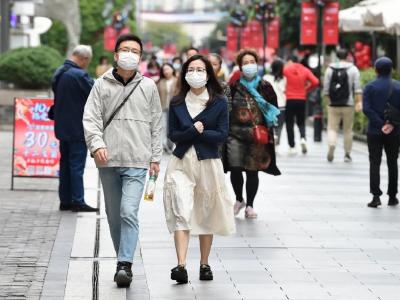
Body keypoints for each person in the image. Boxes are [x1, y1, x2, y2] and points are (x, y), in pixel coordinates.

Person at [83, 34, 162, 287]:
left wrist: (155, 157)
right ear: (116, 55)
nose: (130, 54)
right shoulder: (101, 84)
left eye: (135, 51)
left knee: (129, 211)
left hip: (138, 160)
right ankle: (123, 258)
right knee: (114, 215)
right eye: (125, 50)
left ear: (140, 57)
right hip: (108, 159)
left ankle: (124, 265)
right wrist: (97, 145)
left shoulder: (148, 86)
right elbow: (91, 118)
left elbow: (156, 124)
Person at [163, 54, 235, 284]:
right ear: (185, 73)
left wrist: (202, 132)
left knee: (205, 212)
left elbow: (221, 135)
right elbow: (173, 135)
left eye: (200, 69)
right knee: (181, 210)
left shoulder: (219, 102)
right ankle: (181, 265)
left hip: (208, 163)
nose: (195, 73)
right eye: (191, 69)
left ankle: (204, 264)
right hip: (180, 163)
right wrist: (195, 131)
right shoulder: (176, 102)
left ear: (208, 74)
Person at [225, 49, 281, 219]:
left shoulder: (265, 86)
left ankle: (250, 205)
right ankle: (238, 199)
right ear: (240, 67)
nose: (249, 65)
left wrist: (273, 131)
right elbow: (226, 109)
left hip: (257, 136)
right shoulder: (233, 87)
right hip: (234, 134)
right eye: (245, 63)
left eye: (252, 62)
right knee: (234, 168)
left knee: (252, 171)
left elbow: (273, 110)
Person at [51, 45, 97, 212]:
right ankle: (78, 201)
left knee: (65, 165)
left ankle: (65, 200)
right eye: (88, 61)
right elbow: (95, 94)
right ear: (84, 58)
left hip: (62, 127)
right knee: (76, 166)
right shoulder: (79, 75)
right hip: (77, 128)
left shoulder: (59, 72)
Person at [363, 57, 400, 208]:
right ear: (391, 70)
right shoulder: (398, 86)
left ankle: (376, 196)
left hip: (375, 131)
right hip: (395, 131)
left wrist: (380, 124)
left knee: (375, 163)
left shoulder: (370, 86)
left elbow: (367, 109)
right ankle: (392, 196)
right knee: (393, 162)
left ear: (376, 70)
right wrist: (391, 124)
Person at [323, 48, 362, 162]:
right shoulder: (353, 69)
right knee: (348, 130)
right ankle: (347, 154)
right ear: (348, 56)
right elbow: (358, 88)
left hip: (333, 104)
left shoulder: (329, 69)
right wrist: (359, 102)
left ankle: (332, 144)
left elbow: (326, 89)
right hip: (348, 104)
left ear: (337, 56)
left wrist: (328, 103)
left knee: (332, 128)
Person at [284, 55, 319, 154]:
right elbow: (316, 82)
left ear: (290, 60)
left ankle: (292, 146)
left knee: (289, 123)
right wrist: (306, 89)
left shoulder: (286, 70)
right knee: (301, 121)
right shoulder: (305, 70)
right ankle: (303, 138)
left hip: (290, 99)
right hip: (302, 99)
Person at [264, 59, 287, 146]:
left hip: (269, 105)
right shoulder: (284, 79)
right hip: (282, 106)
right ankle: (277, 141)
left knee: (270, 125)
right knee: (279, 126)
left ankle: (272, 139)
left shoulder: (266, 77)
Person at [157, 63, 177, 154]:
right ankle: (165, 145)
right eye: (164, 70)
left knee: (173, 127)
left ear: (172, 69)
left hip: (175, 108)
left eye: (168, 69)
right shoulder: (160, 82)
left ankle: (172, 145)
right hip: (163, 107)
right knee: (164, 127)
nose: (166, 71)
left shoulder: (177, 81)